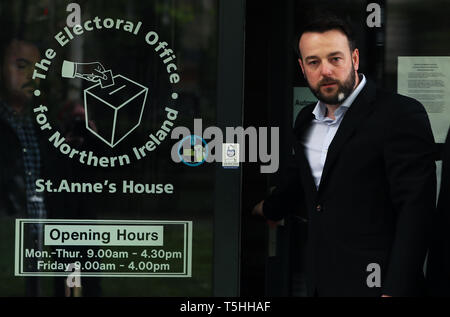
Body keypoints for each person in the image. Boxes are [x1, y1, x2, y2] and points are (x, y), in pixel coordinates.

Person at [253, 14, 437, 297]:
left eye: (335, 59)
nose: (325, 70)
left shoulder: (399, 114)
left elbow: (416, 210)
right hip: (320, 283)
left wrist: (395, 289)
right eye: (314, 62)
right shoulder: (305, 120)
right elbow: (300, 184)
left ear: (355, 58)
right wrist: (264, 208)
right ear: (303, 68)